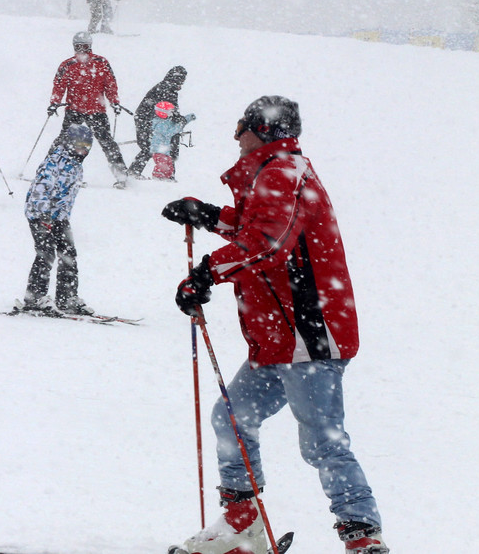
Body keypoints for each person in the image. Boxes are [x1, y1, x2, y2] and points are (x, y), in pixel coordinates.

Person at [162, 96, 388, 554]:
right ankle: (242, 526)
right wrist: (208, 216)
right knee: (232, 418)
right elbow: (258, 227)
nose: (235, 135)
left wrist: (207, 273)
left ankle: (363, 539)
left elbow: (268, 241)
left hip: (309, 332)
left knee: (322, 443)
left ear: (261, 129)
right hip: (278, 338)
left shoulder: (283, 171)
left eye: (241, 125)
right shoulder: (275, 173)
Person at [18, 124, 95, 314]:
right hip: (40, 214)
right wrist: (44, 216)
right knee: (46, 253)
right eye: (78, 145)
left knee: (69, 253)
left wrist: (60, 216)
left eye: (86, 146)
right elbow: (40, 190)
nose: (82, 150)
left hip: (59, 216)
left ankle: (67, 297)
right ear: (68, 143)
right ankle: (34, 297)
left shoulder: (76, 166)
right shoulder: (54, 162)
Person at [48, 31, 129, 187]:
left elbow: (110, 84)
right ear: (74, 46)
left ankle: (121, 176)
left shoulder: (101, 62)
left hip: (96, 111)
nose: (81, 49)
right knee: (67, 143)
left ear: (90, 46)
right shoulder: (68, 65)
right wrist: (54, 102)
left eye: (84, 46)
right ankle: (53, 171)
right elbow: (59, 85)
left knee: (107, 143)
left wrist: (114, 102)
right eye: (78, 46)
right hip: (75, 110)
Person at [126, 66, 187, 177]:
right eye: (181, 80)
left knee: (151, 146)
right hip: (147, 119)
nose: (181, 84)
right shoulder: (167, 89)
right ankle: (165, 174)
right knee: (150, 146)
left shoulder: (167, 87)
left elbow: (170, 111)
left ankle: (134, 172)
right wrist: (180, 120)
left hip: (146, 118)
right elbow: (169, 111)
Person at [147, 101, 194, 180]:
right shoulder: (160, 123)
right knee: (162, 165)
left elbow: (175, 126)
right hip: (159, 150)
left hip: (165, 150)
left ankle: (167, 178)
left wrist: (187, 119)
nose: (172, 113)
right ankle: (158, 177)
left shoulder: (166, 121)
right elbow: (170, 132)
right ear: (163, 112)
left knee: (169, 165)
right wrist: (181, 124)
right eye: (170, 112)